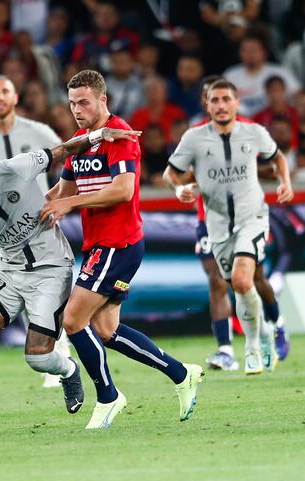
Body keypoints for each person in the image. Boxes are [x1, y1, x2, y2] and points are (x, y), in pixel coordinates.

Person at [0, 125, 141, 436]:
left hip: (51, 270)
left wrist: (97, 136)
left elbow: (63, 151)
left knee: (37, 358)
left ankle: (68, 369)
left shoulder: (16, 169)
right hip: (9, 272)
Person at [41, 70, 204, 429]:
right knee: (105, 330)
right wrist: (30, 209)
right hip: (101, 245)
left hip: (118, 242)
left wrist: (72, 204)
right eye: (72, 104)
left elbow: (123, 190)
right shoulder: (82, 141)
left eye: (83, 102)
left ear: (103, 100)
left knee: (72, 320)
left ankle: (108, 397)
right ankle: (181, 373)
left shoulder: (122, 135)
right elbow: (59, 192)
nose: (77, 110)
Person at [164, 75, 291, 370]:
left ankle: (273, 328)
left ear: (235, 102)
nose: (220, 104)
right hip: (209, 220)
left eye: (225, 98)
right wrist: (181, 187)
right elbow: (176, 173)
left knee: (250, 280)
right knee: (219, 282)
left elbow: (269, 162)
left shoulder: (249, 131)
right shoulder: (195, 137)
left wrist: (282, 180)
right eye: (213, 98)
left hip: (249, 218)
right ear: (205, 103)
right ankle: (225, 350)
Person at [0, 74, 69, 388]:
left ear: (15, 97)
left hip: (42, 228)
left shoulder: (38, 132)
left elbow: (68, 166)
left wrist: (57, 201)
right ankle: (52, 356)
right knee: (23, 292)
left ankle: (58, 352)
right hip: (7, 237)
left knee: (47, 292)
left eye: (5, 92)